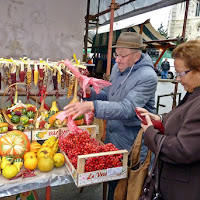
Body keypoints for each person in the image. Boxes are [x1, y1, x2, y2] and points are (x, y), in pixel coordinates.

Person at [63, 32, 158, 200]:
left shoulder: (147, 77)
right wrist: (90, 92)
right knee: (113, 183)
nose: (117, 60)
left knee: (129, 188)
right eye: (116, 55)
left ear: (137, 56)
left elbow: (128, 108)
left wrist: (92, 106)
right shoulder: (117, 68)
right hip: (112, 138)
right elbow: (108, 94)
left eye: (123, 55)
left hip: (133, 141)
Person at [137, 40, 200, 200]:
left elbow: (182, 149)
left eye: (181, 73)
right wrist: (159, 118)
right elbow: (182, 117)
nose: (177, 79)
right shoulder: (194, 92)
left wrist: (151, 133)